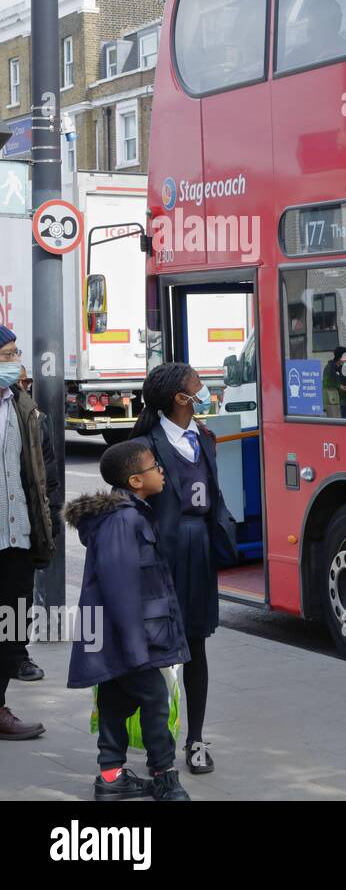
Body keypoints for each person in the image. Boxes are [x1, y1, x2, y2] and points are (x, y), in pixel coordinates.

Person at [64, 440, 191, 801]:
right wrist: (137, 648)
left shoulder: (127, 514)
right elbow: (119, 588)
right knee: (154, 700)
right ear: (136, 480)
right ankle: (165, 774)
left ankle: (111, 777)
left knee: (115, 702)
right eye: (154, 466)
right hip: (129, 639)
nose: (161, 471)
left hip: (119, 637)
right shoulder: (123, 520)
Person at [130, 362, 236, 774]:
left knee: (196, 646)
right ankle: (158, 745)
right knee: (156, 650)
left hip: (199, 552)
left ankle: (195, 740)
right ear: (180, 397)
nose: (205, 389)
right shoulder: (145, 445)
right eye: (198, 384)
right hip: (159, 555)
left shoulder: (204, 438)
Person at [0, 326, 54, 741]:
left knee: (12, 626)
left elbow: (37, 472)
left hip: (17, 537)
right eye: (8, 353)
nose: (15, 361)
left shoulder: (22, 405)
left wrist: (44, 525)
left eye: (16, 352)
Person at [13, 365, 62, 683]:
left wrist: (49, 520)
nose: (24, 384)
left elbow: (48, 477)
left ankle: (17, 655)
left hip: (20, 525)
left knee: (18, 596)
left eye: (26, 380)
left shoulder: (32, 416)